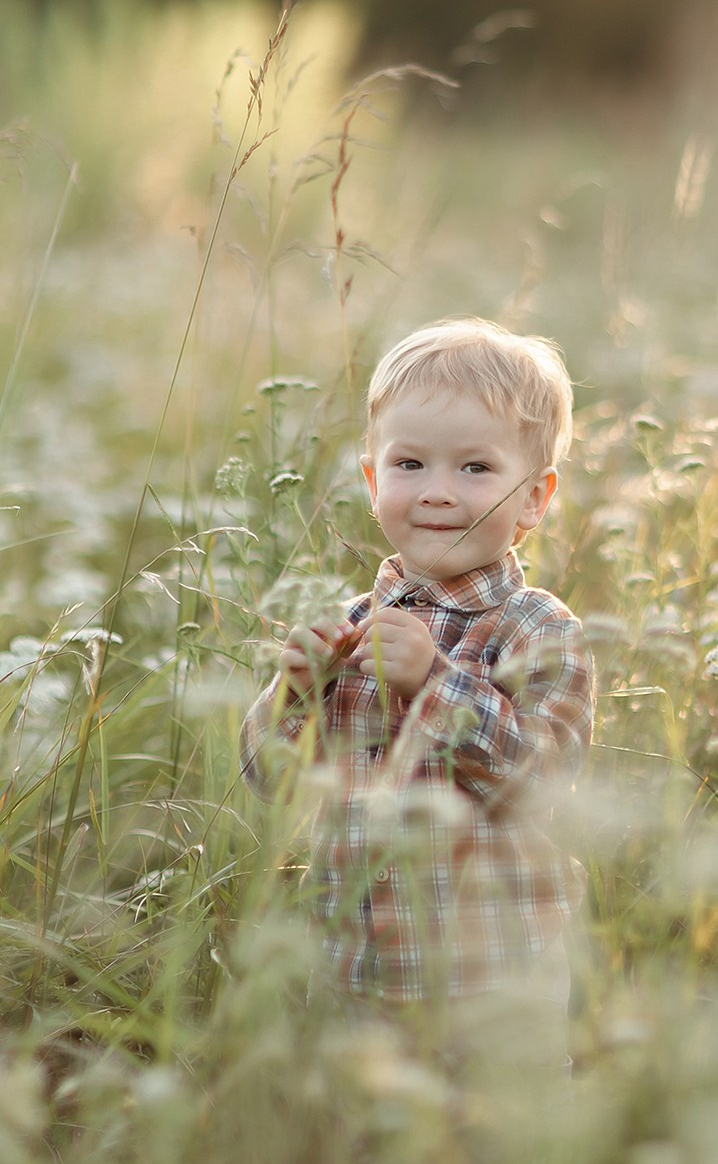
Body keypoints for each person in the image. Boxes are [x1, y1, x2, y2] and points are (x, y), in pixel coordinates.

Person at [240, 318, 594, 1058]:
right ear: (373, 482)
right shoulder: (350, 628)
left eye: (474, 469)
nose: (437, 492)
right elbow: (271, 780)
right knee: (366, 1152)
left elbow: (542, 783)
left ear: (534, 499)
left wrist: (436, 681)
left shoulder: (537, 629)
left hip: (497, 972)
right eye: (409, 464)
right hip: (358, 971)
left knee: (496, 1152)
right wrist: (293, 695)